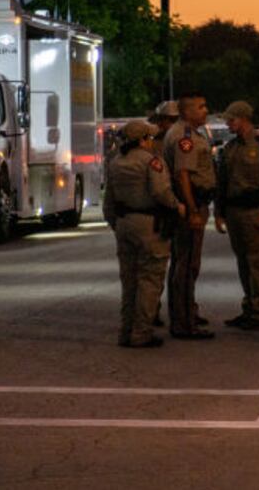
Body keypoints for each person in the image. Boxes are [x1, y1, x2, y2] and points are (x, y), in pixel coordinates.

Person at [101, 120, 185, 348]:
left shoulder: (116, 162)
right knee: (150, 279)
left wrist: (116, 224)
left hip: (124, 223)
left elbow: (108, 201)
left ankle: (126, 330)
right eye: (150, 138)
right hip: (149, 224)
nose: (152, 142)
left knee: (129, 281)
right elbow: (160, 192)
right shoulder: (152, 162)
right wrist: (177, 206)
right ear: (143, 139)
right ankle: (141, 332)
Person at [214, 100, 259, 330]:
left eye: (231, 120)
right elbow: (222, 182)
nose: (228, 124)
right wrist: (219, 212)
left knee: (258, 264)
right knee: (243, 264)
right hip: (234, 212)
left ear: (244, 119)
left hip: (254, 211)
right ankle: (249, 308)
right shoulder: (230, 148)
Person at [163, 93, 217, 339]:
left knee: (183, 264)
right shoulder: (184, 137)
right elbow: (182, 175)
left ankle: (185, 316)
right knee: (186, 266)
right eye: (200, 107)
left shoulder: (189, 133)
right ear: (186, 112)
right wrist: (193, 209)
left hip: (190, 203)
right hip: (190, 206)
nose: (205, 110)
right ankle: (184, 324)